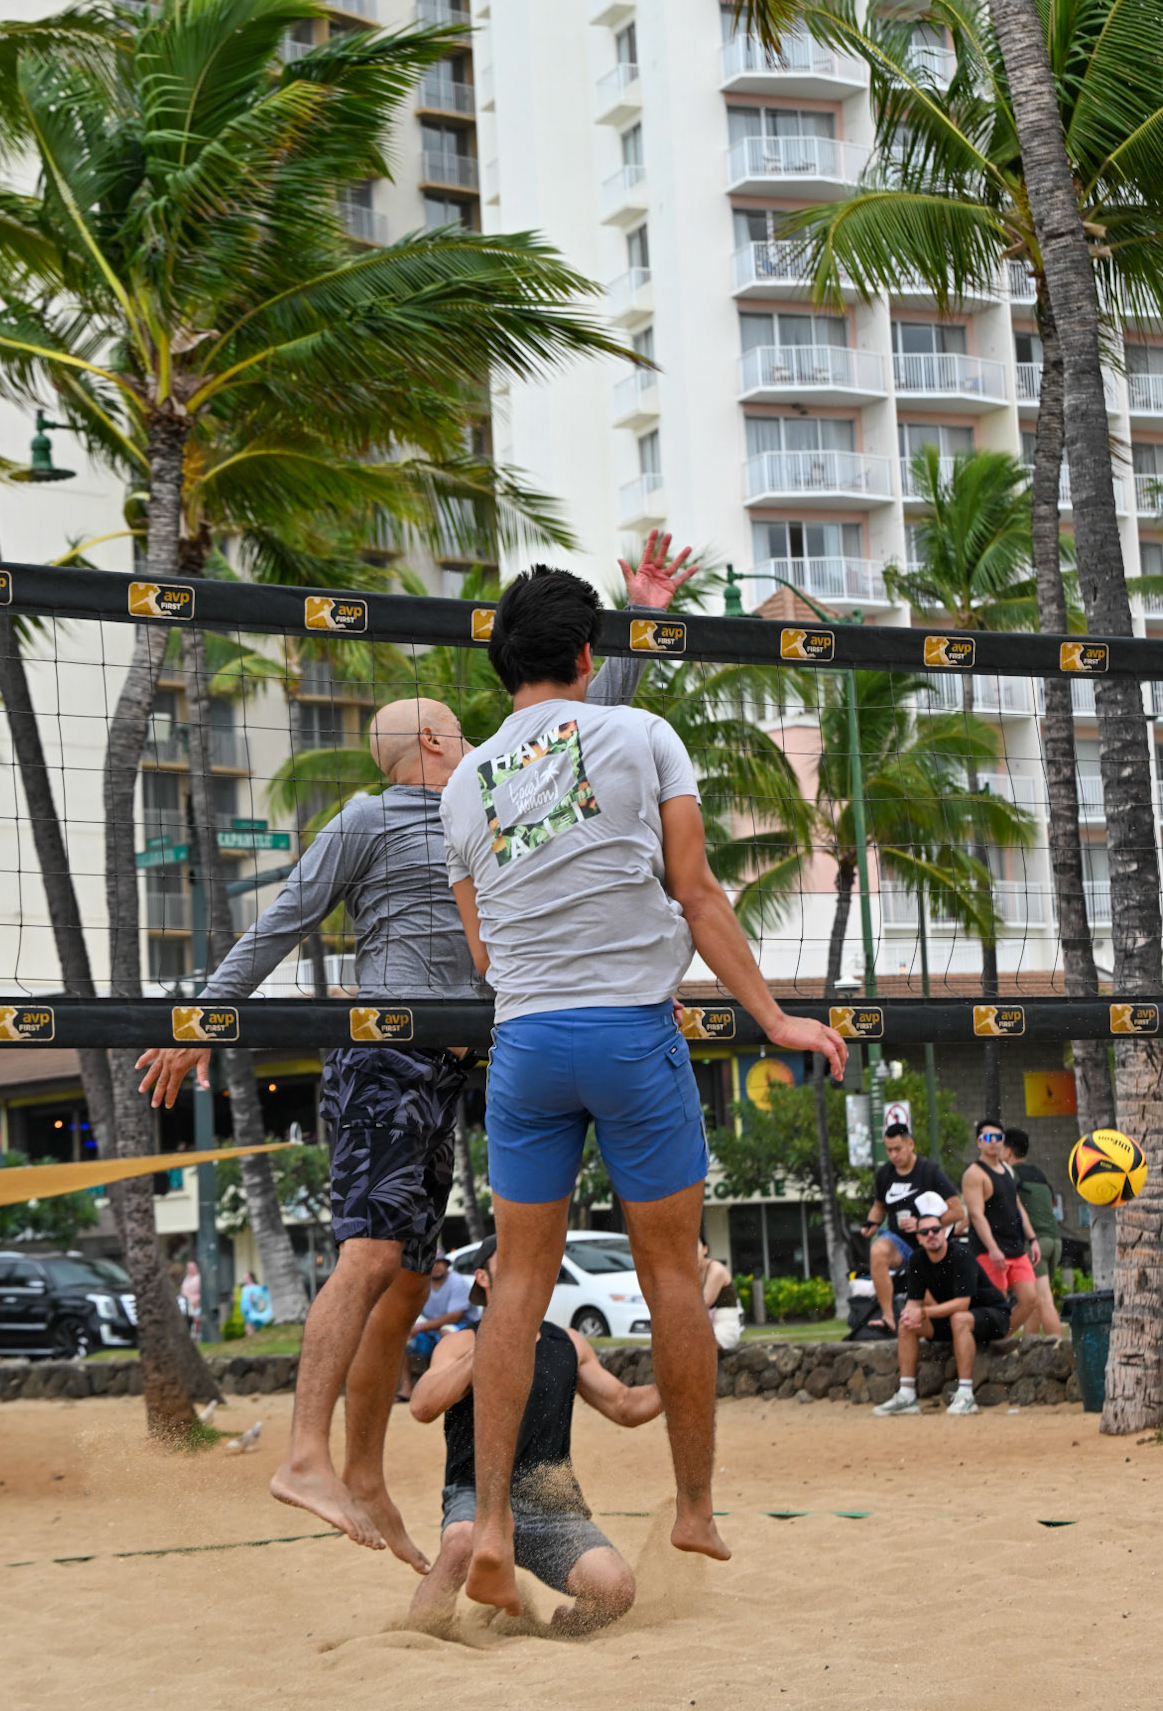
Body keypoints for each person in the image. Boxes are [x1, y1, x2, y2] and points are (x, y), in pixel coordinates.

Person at [135, 531, 695, 1572]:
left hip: (456, 1061)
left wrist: (637, 617)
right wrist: (201, 1017)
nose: (473, 732)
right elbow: (280, 922)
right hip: (385, 1056)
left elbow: (586, 719)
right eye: (457, 726)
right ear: (434, 740)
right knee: (370, 1254)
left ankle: (359, 1472)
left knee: (409, 1274)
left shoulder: (488, 792)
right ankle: (305, 1454)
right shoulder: (372, 815)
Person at [440, 562, 848, 1614]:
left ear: (502, 665)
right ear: (587, 656)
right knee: (671, 1270)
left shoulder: (463, 784)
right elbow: (698, 893)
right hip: (629, 1033)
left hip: (525, 1045)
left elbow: (483, 955)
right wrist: (776, 1019)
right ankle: (694, 1507)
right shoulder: (642, 733)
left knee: (517, 1288)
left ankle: (492, 1523)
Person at [408, 1235, 663, 1637]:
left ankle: (555, 1632)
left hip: (547, 1503)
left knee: (616, 1591)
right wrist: (491, 1345)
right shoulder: (461, 1342)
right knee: (460, 1544)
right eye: (508, 1259)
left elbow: (624, 1405)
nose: (523, 1267)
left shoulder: (568, 1343)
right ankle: (415, 1639)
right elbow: (422, 1405)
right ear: (483, 1277)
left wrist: (678, 1385)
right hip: (475, 1492)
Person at [873, 1195, 1010, 1416]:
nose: (931, 1235)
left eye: (935, 1230)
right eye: (925, 1232)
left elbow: (963, 1304)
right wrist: (910, 1314)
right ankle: (907, 1395)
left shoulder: (962, 1255)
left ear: (943, 1232)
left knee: (959, 1318)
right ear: (918, 1238)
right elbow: (914, 1303)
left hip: (992, 1315)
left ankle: (966, 1395)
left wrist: (924, 1312)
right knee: (906, 1323)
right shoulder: (917, 1260)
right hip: (953, 1319)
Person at [861, 1120, 965, 1332]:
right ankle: (888, 1317)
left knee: (927, 1299)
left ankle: (944, 1331)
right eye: (889, 1150)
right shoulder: (884, 1174)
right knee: (878, 1251)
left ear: (910, 1145)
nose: (893, 1155)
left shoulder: (929, 1171)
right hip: (898, 1240)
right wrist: (871, 1223)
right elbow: (879, 1207)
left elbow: (957, 1211)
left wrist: (922, 1225)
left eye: (897, 1149)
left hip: (928, 1244)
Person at [961, 1117, 1041, 1337]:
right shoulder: (974, 1174)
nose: (994, 1141)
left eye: (998, 1137)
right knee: (998, 1305)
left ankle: (1000, 1339)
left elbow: (1018, 1207)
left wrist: (1033, 1239)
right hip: (989, 1250)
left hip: (1014, 1247)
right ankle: (990, 1341)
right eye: (988, 1137)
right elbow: (976, 1214)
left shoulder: (1007, 1170)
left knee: (1030, 1299)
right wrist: (993, 1249)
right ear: (979, 1142)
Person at [1003, 1126, 1063, 1337]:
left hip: (1036, 1243)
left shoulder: (1011, 1175)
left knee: (1043, 1299)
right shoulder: (1039, 1174)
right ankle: (1029, 1347)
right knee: (1035, 1302)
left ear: (1008, 1152)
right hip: (1055, 1242)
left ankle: (1058, 1347)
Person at [400, 1252, 475, 1396]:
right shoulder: (421, 1285)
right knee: (401, 1340)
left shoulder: (457, 1282)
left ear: (446, 1265)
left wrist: (419, 1327)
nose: (436, 1266)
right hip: (432, 1330)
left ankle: (452, 1391)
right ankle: (407, 1389)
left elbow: (454, 1317)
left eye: (440, 1262)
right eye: (432, 1262)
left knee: (446, 1334)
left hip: (462, 1328)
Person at [698, 1239, 742, 1352]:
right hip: (704, 1325)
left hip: (725, 1327)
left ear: (705, 1249)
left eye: (695, 1246)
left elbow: (703, 1303)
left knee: (698, 1345)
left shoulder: (716, 1270)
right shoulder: (693, 1272)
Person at [179, 1259, 201, 1336]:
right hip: (186, 1304)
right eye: (188, 1268)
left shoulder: (198, 1278)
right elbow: (183, 1290)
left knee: (196, 1321)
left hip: (196, 1305)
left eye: (192, 1268)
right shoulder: (187, 1278)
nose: (190, 1269)